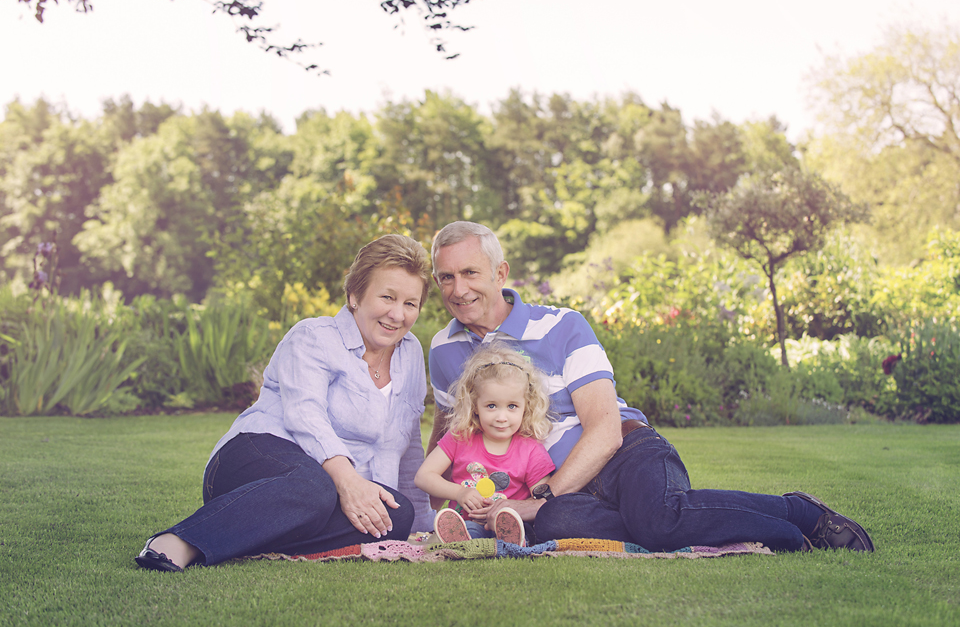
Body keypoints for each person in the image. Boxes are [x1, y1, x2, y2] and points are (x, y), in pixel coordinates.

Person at [427, 221, 875, 553]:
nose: (458, 288)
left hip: (624, 452)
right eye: (446, 277)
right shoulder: (445, 349)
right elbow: (450, 434)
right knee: (560, 521)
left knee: (657, 523)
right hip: (569, 496)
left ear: (500, 272)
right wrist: (440, 508)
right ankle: (745, 529)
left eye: (470, 273)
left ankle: (798, 515)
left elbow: (602, 430)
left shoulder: (563, 325)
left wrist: (540, 498)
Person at [135, 234, 435, 572]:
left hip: (323, 493)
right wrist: (348, 482)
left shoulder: (409, 354)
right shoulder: (313, 336)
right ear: (355, 295)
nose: (398, 314)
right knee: (314, 487)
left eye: (411, 303)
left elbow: (407, 443)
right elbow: (305, 416)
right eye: (387, 297)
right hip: (256, 461)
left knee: (398, 515)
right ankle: (180, 541)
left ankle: (249, 534)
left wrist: (422, 525)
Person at [415, 343, 556, 545]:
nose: (501, 417)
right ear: (475, 406)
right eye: (491, 406)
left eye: (512, 406)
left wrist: (510, 508)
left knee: (515, 525)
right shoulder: (460, 437)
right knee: (469, 529)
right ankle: (461, 540)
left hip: (512, 523)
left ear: (526, 407)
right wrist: (459, 492)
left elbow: (542, 501)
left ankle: (512, 541)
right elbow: (423, 477)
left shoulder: (530, 449)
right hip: (469, 521)